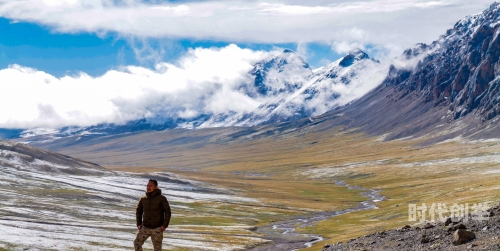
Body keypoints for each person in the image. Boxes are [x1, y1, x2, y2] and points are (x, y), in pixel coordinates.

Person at [134, 179, 172, 251]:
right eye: (147, 185)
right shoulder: (143, 198)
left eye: (150, 186)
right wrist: (139, 223)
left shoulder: (162, 198)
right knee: (137, 243)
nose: (148, 187)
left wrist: (164, 225)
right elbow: (138, 211)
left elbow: (168, 212)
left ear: (156, 187)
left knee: (157, 249)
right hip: (145, 227)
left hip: (157, 228)